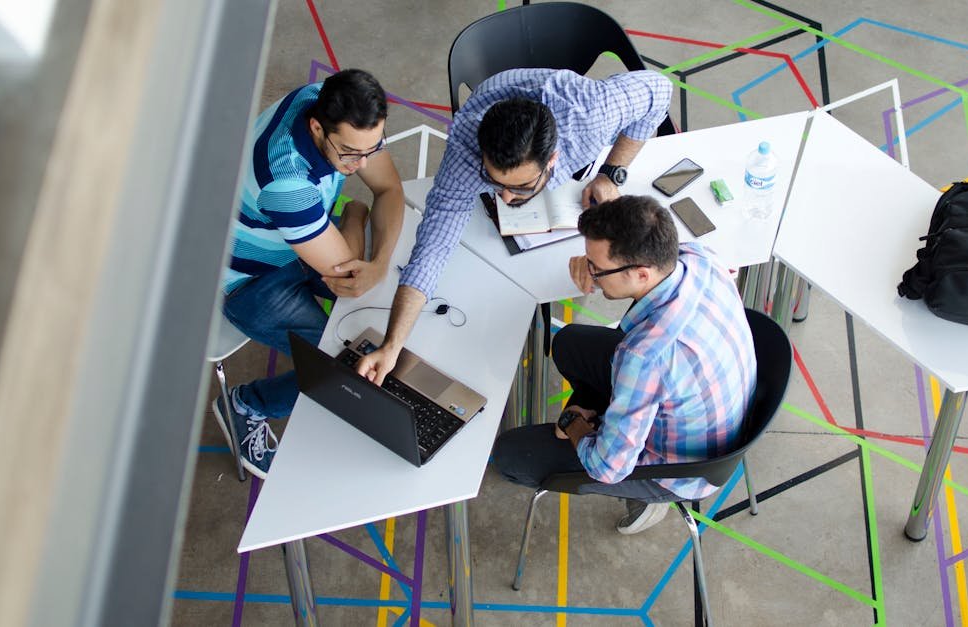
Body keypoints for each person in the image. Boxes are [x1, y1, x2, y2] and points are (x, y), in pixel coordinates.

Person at [354, 68, 673, 385]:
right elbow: (431, 250)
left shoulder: (590, 115)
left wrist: (612, 171)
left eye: (520, 187)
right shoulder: (466, 151)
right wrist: (392, 345)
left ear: (553, 160)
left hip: (566, 104)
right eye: (494, 182)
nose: (505, 198)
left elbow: (660, 90)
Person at [492, 195, 758, 534]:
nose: (590, 273)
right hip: (714, 409)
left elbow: (607, 467)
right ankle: (609, 418)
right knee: (570, 343)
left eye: (597, 269)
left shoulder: (644, 356)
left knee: (511, 455)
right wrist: (591, 263)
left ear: (641, 274)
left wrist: (574, 422)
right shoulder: (698, 258)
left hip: (679, 470)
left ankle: (647, 500)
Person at [213, 69, 404, 478]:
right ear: (317, 127)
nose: (362, 164)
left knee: (381, 309)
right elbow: (351, 278)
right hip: (250, 281)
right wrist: (355, 214)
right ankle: (247, 404)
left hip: (299, 240)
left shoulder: (329, 100)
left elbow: (389, 189)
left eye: (373, 149)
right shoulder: (287, 182)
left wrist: (380, 262)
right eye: (351, 153)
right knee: (339, 364)